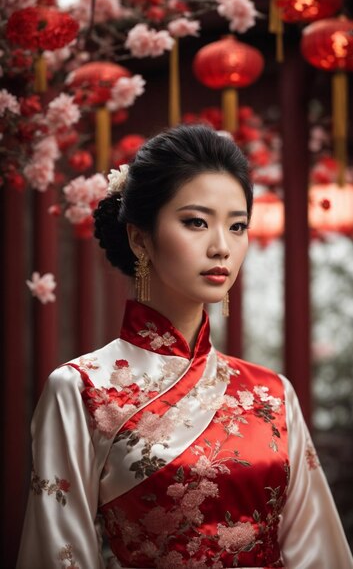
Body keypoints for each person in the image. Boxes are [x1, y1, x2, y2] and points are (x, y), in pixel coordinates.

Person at [17, 124, 353, 569]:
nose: (222, 247)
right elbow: (61, 556)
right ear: (140, 238)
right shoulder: (80, 390)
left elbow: (321, 555)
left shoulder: (273, 394)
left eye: (237, 226)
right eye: (196, 222)